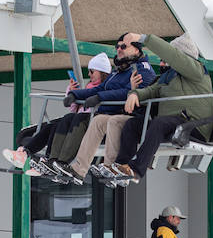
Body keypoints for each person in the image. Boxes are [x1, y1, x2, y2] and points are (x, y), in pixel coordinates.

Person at [2, 52, 117, 177]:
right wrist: (72, 92)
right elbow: (74, 109)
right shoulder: (89, 86)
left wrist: (81, 96)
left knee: (63, 122)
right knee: (50, 127)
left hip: (88, 123)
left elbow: (100, 105)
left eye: (92, 71)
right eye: (89, 71)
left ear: (102, 72)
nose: (89, 74)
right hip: (76, 119)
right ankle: (27, 153)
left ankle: (50, 161)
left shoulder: (106, 87)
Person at [121, 32, 213, 181]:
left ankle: (137, 169)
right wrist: (135, 94)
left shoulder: (196, 70)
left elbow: (175, 57)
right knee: (133, 124)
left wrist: (144, 39)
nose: (163, 64)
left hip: (192, 125)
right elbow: (152, 90)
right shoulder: (170, 76)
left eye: (166, 60)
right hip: (172, 124)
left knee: (159, 123)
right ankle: (122, 165)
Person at [63, 37, 159, 182]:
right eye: (117, 46)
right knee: (98, 121)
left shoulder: (142, 69)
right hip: (125, 113)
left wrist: (100, 98)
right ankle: (79, 168)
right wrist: (74, 94)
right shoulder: (120, 71)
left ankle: (111, 166)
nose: (119, 49)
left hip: (138, 116)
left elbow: (128, 92)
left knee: (113, 121)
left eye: (123, 46)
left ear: (136, 49)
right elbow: (100, 88)